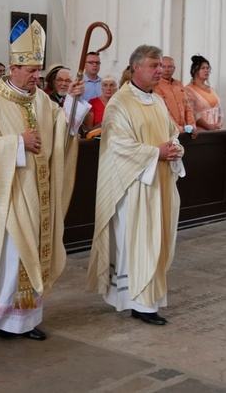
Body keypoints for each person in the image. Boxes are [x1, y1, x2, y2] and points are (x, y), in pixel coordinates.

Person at [0, 20, 89, 341]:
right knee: (11, 260)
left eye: (38, 70)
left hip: (38, 194)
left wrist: (73, 102)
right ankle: (1, 320)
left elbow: (61, 132)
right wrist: (16, 143)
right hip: (8, 195)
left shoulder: (41, 99)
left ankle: (26, 321)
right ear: (13, 68)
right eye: (29, 70)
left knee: (30, 257)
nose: (36, 76)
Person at [87, 44, 184, 326]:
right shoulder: (119, 102)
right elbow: (118, 145)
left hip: (160, 183)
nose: (160, 71)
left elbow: (170, 133)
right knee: (140, 243)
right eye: (154, 66)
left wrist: (175, 149)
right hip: (135, 187)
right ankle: (141, 303)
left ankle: (144, 299)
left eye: (160, 66)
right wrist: (157, 153)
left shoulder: (157, 101)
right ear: (136, 68)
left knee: (158, 240)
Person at [152, 56, 197, 135]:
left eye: (169, 66)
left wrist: (192, 125)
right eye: (163, 66)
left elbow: (187, 106)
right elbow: (163, 111)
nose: (166, 69)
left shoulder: (178, 84)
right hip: (167, 131)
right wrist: (179, 129)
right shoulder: (156, 85)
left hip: (184, 130)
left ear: (174, 68)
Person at [185, 55, 223, 131]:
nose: (206, 70)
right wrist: (208, 127)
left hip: (215, 132)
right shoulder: (188, 90)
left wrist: (219, 123)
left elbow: (219, 110)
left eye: (207, 68)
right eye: (203, 68)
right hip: (200, 132)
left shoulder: (211, 89)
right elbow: (191, 113)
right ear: (195, 70)